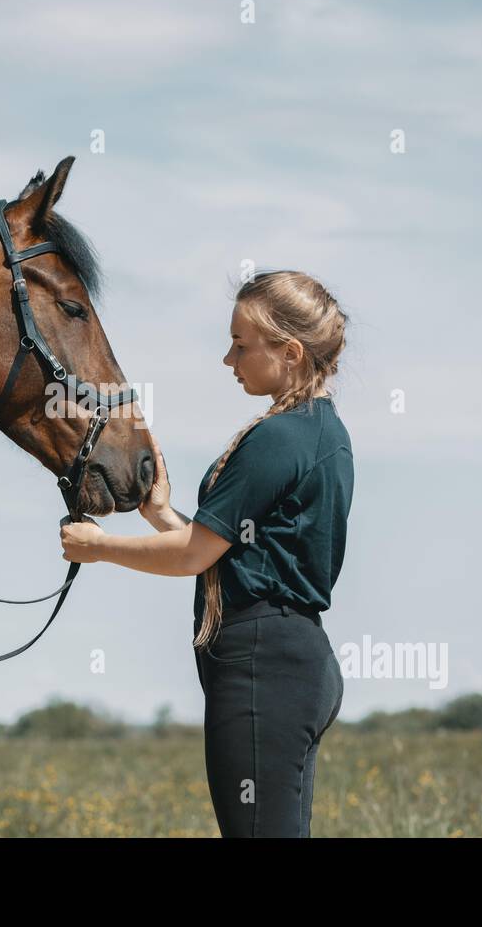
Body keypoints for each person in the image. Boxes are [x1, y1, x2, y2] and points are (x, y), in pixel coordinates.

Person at [60, 269, 353, 837]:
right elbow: (230, 551)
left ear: (289, 351)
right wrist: (160, 516)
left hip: (262, 667)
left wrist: (100, 547)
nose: (228, 359)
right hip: (294, 661)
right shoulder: (322, 431)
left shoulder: (279, 437)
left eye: (241, 345)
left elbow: (195, 556)